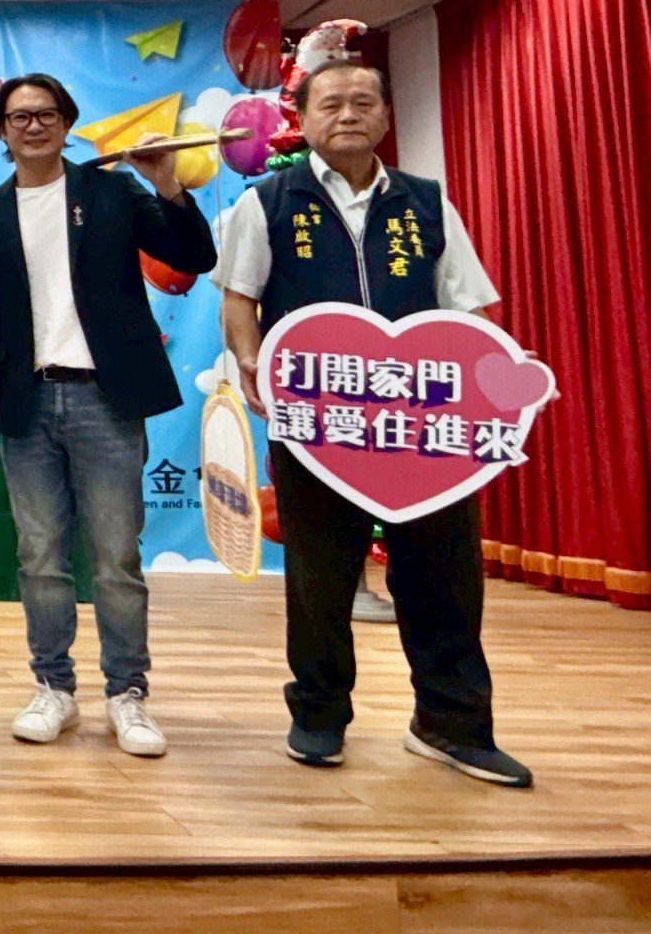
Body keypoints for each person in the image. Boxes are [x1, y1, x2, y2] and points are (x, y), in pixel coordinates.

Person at [217, 59, 532, 787]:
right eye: (331, 103)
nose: (348, 114)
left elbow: (468, 306)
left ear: (387, 116)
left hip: (424, 427)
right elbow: (239, 300)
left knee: (444, 572)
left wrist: (492, 380)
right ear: (303, 119)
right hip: (317, 424)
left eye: (364, 101)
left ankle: (451, 724)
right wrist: (253, 363)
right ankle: (319, 715)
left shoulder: (427, 203)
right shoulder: (267, 203)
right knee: (320, 577)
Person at [0, 73, 216, 758]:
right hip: (26, 403)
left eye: (46, 114)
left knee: (116, 556)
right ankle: (54, 688)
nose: (33, 125)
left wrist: (165, 184)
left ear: (66, 124)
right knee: (40, 556)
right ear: (1, 131)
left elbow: (196, 255)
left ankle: (127, 693)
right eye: (19, 117)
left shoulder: (112, 192)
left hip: (106, 397)